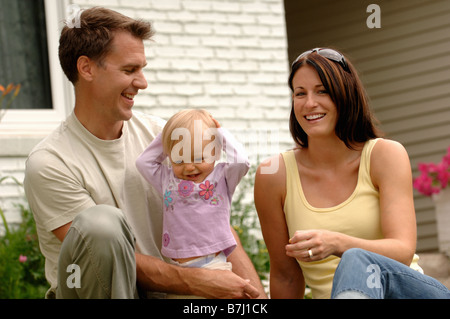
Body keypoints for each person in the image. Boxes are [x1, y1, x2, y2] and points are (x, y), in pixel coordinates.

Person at [23, 6, 265, 299]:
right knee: (100, 226)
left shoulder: (162, 137)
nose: (142, 82)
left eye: (142, 69)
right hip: (98, 292)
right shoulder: (50, 163)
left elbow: (213, 221)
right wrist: (199, 281)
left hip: (172, 292)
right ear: (86, 68)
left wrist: (258, 299)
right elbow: (104, 259)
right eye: (129, 70)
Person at [254, 47, 450, 299]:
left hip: (409, 292)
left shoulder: (384, 155)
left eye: (322, 90)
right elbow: (285, 275)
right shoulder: (274, 176)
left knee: (355, 258)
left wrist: (337, 243)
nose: (309, 103)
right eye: (299, 93)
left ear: (345, 95)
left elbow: (402, 250)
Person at [136, 109, 249, 279]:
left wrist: (220, 133)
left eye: (198, 159)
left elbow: (242, 161)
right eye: (179, 160)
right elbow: (143, 162)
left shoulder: (222, 177)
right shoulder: (167, 179)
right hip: (177, 269)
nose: (189, 167)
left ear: (216, 153)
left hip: (214, 265)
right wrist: (167, 136)